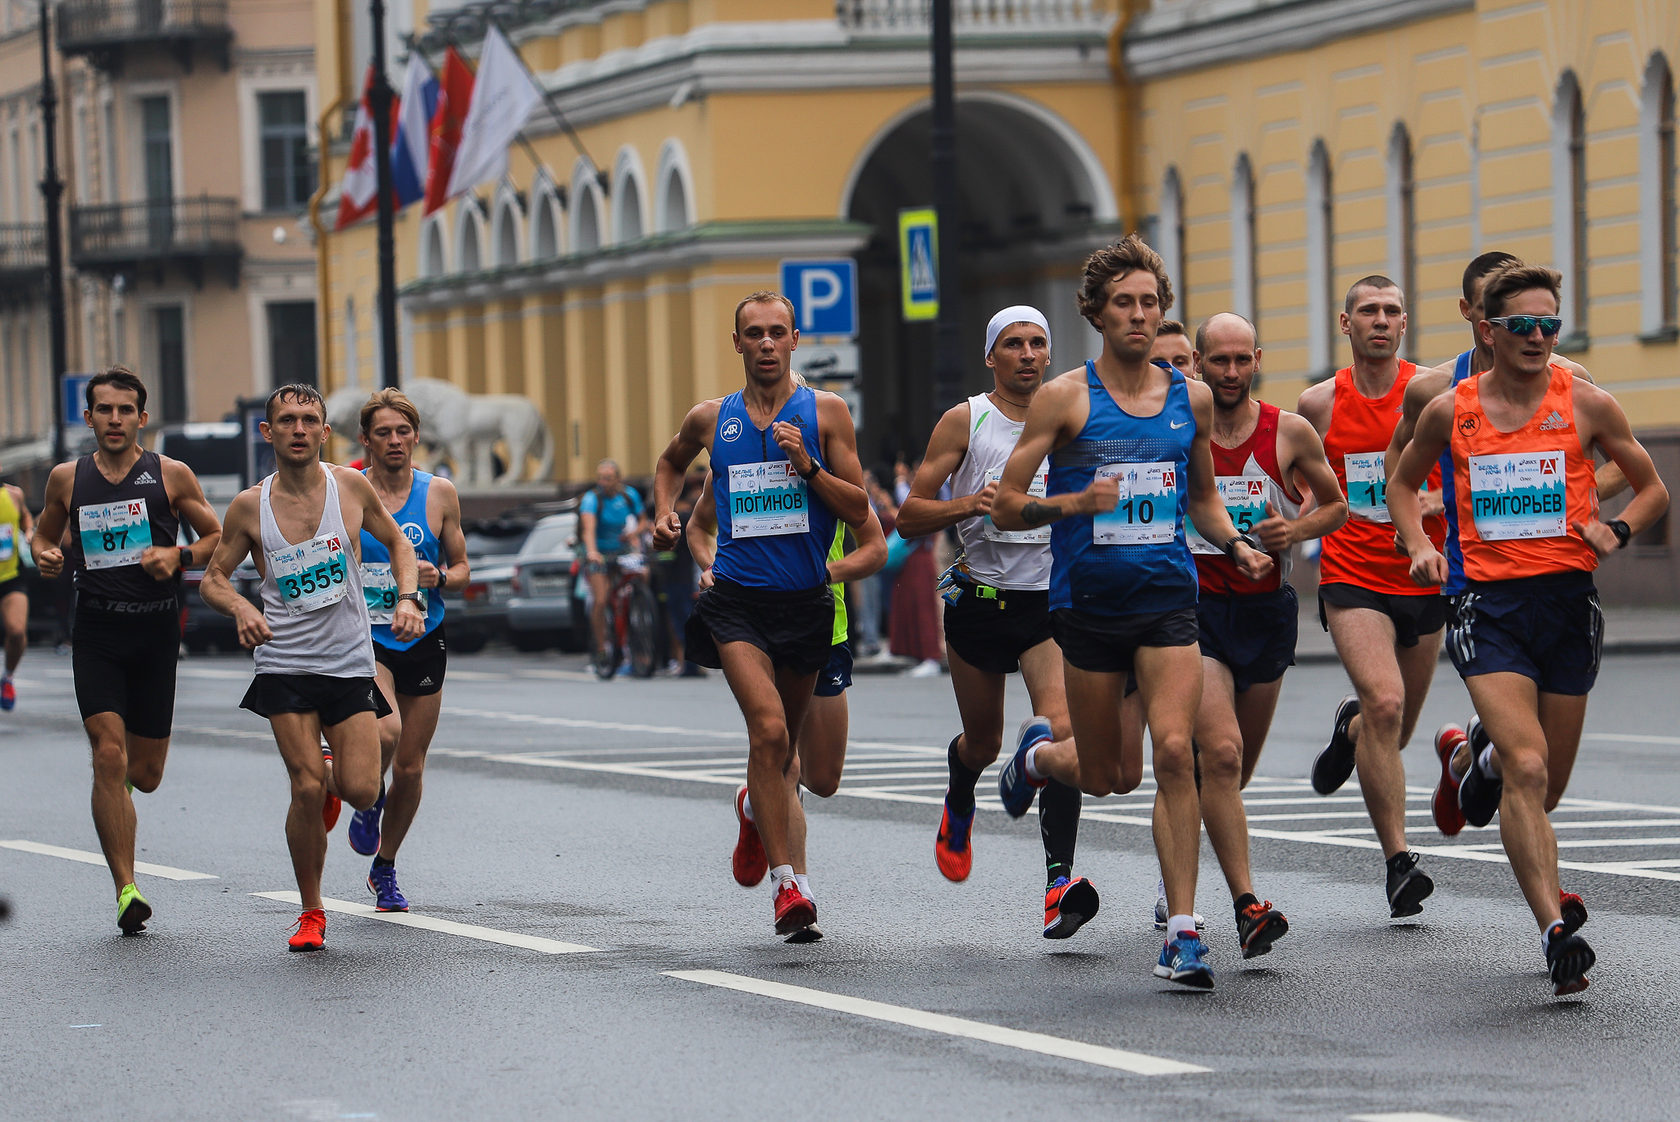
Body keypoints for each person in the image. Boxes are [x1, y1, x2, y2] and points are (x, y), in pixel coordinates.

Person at [992, 236, 1272, 989]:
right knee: (1110, 774)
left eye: (1150, 303)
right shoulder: (1065, 398)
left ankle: (1182, 931)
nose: (1141, 316)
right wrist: (1073, 503)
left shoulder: (1193, 398)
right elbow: (1009, 505)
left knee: (1175, 753)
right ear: (1096, 312)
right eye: (1125, 303)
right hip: (1086, 605)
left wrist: (1236, 544)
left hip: (1169, 602)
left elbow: (1203, 497)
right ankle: (1039, 759)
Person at [1388, 262, 1669, 995]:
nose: (1540, 337)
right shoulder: (1452, 409)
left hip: (1570, 606)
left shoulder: (1587, 404)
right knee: (1530, 766)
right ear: (1489, 329)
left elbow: (1652, 488)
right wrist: (1419, 543)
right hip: (1490, 606)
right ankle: (1554, 929)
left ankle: (1468, 764)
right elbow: (1401, 480)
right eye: (1524, 325)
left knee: (1544, 788)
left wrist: (1617, 529)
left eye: (1551, 325)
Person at [650, 291, 869, 937]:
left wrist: (807, 466)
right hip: (737, 602)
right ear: (738, 343)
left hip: (805, 605)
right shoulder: (712, 418)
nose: (767, 343)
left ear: (795, 340)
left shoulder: (826, 412)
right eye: (755, 334)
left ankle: (756, 809)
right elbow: (668, 465)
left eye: (778, 332)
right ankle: (789, 888)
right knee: (770, 734)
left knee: (794, 764)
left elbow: (859, 507)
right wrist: (664, 513)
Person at [896, 304, 1101, 939]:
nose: (1028, 354)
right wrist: (968, 503)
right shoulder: (968, 419)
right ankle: (961, 798)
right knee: (982, 744)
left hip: (1049, 606)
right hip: (981, 601)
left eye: (1038, 343)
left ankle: (1059, 881)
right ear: (992, 356)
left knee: (1062, 733)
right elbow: (909, 517)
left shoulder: (1070, 412)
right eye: (1013, 344)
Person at [201, 383, 425, 952]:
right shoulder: (250, 506)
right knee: (304, 787)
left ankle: (335, 780)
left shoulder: (349, 487)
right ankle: (311, 912)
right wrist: (242, 606)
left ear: (324, 432)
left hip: (349, 663)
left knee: (360, 789)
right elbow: (213, 578)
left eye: (309, 421)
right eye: (287, 421)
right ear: (267, 432)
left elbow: (400, 546)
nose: (298, 430)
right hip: (285, 665)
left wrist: (407, 598)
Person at [30, 366, 222, 934]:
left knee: (147, 771)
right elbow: (43, 534)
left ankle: (118, 791)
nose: (115, 420)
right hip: (96, 631)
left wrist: (179, 559)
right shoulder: (67, 479)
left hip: (156, 630)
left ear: (142, 417)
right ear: (87, 417)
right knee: (107, 754)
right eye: (104, 410)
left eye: (125, 410)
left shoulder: (170, 475)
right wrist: (44, 553)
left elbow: (215, 537)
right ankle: (126, 888)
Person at [1184, 312, 1348, 958]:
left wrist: (1294, 532)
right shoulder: (1180, 426)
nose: (1229, 373)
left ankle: (1181, 854)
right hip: (1192, 613)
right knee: (1220, 754)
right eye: (1216, 361)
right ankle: (1247, 906)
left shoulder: (1289, 432)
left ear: (1257, 359)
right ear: (1196, 363)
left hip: (1264, 612)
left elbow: (1334, 504)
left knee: (1232, 770)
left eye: (1240, 360)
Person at [1295, 275, 1446, 919]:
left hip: (1424, 571)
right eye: (1368, 311)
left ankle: (1348, 728)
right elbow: (1304, 482)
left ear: (1404, 324)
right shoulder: (1320, 404)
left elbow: (1468, 471)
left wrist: (1428, 502)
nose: (1379, 321)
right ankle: (1398, 863)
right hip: (1352, 573)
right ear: (1346, 323)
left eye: (1390, 311)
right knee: (1386, 702)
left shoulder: (1433, 395)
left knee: (1394, 727)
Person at [689, 457, 888, 942]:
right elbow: (699, 527)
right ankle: (795, 892)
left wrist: (826, 572)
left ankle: (755, 807)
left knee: (824, 777)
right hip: (757, 624)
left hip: (825, 630)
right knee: (782, 753)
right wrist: (713, 567)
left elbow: (877, 548)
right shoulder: (743, 465)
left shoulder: (829, 478)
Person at [343, 388, 469, 912]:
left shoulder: (439, 493)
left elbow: (463, 570)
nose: (394, 441)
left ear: (415, 436)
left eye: (402, 431)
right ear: (365, 440)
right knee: (386, 729)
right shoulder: (348, 492)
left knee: (413, 769)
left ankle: (385, 867)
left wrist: (439, 575)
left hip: (424, 635)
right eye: (383, 433)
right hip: (367, 635)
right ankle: (368, 797)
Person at [580, 460, 644, 660]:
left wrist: (634, 532)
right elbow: (588, 530)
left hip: (621, 548)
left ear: (618, 479)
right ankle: (601, 647)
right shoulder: (592, 499)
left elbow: (643, 521)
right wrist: (592, 552)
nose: (603, 482)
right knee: (601, 599)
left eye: (607, 478)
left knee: (644, 575)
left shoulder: (629, 495)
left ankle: (638, 609)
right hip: (599, 552)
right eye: (600, 478)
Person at [0, 465, 35, 710]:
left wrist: (30, 531)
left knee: (17, 631)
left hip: (11, 575)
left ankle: (8, 677)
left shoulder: (13, 494)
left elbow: (24, 516)